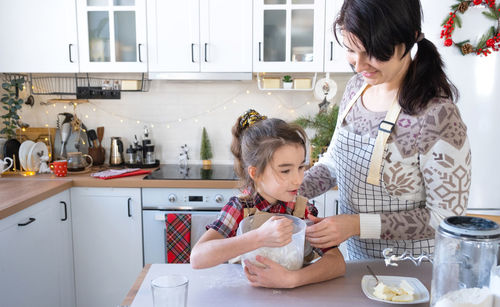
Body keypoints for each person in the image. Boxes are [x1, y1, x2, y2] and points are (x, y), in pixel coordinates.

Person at [300, 0, 471, 261]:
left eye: (374, 53)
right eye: (350, 50)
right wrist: (292, 190)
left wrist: (355, 225)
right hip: (360, 266)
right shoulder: (356, 88)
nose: (358, 66)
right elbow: (335, 163)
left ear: (411, 38)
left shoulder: (437, 115)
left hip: (416, 274)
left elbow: (445, 217)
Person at [190, 109, 345, 288]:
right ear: (255, 173)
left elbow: (337, 263)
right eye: (285, 170)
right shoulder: (240, 208)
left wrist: (292, 279)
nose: (298, 179)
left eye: (301, 167)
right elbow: (198, 258)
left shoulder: (302, 209)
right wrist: (259, 237)